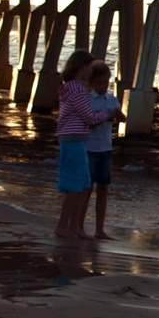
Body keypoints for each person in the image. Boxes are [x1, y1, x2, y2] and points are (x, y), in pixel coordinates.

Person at [69, 61, 129, 240]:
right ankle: (78, 225)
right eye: (99, 83)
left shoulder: (111, 99)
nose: (103, 87)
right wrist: (105, 117)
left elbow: (122, 118)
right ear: (91, 83)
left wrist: (119, 116)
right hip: (90, 147)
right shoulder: (87, 99)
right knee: (86, 189)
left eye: (106, 83)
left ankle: (99, 229)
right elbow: (88, 121)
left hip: (105, 148)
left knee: (104, 189)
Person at [52, 51, 107, 239]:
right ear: (82, 68)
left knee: (83, 183)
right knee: (75, 185)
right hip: (73, 139)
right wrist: (108, 114)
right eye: (90, 69)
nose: (91, 73)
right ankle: (63, 226)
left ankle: (74, 226)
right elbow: (89, 117)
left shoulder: (68, 87)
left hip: (73, 138)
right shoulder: (77, 89)